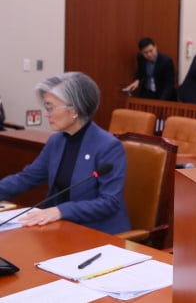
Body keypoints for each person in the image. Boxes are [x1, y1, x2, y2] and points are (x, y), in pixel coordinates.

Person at [0, 72, 130, 234]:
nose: (46, 113)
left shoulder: (109, 147)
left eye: (51, 107)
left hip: (97, 233)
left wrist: (60, 211)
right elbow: (27, 178)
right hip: (62, 228)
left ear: (74, 110)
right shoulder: (57, 141)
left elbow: (109, 202)